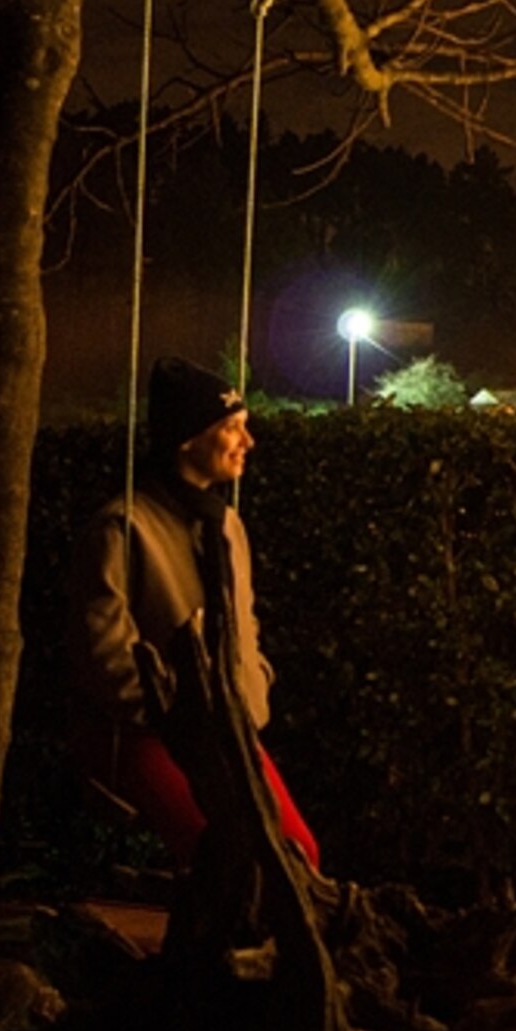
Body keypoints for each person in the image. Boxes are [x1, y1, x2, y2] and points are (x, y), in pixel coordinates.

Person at [70, 356, 322, 870]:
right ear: (187, 438)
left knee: (298, 855)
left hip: (229, 728)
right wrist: (171, 714)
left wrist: (252, 688)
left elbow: (243, 622)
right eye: (231, 428)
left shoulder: (227, 525)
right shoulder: (123, 527)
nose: (247, 442)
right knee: (234, 862)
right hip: (151, 734)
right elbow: (103, 651)